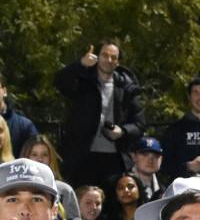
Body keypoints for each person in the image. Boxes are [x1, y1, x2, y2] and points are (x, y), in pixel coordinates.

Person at [55, 42, 146, 189]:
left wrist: (122, 131)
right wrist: (81, 65)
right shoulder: (83, 81)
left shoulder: (127, 87)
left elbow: (139, 124)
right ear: (97, 57)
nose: (109, 60)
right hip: (82, 157)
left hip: (115, 160)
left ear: (118, 62)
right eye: (105, 55)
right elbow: (60, 83)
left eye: (113, 57)